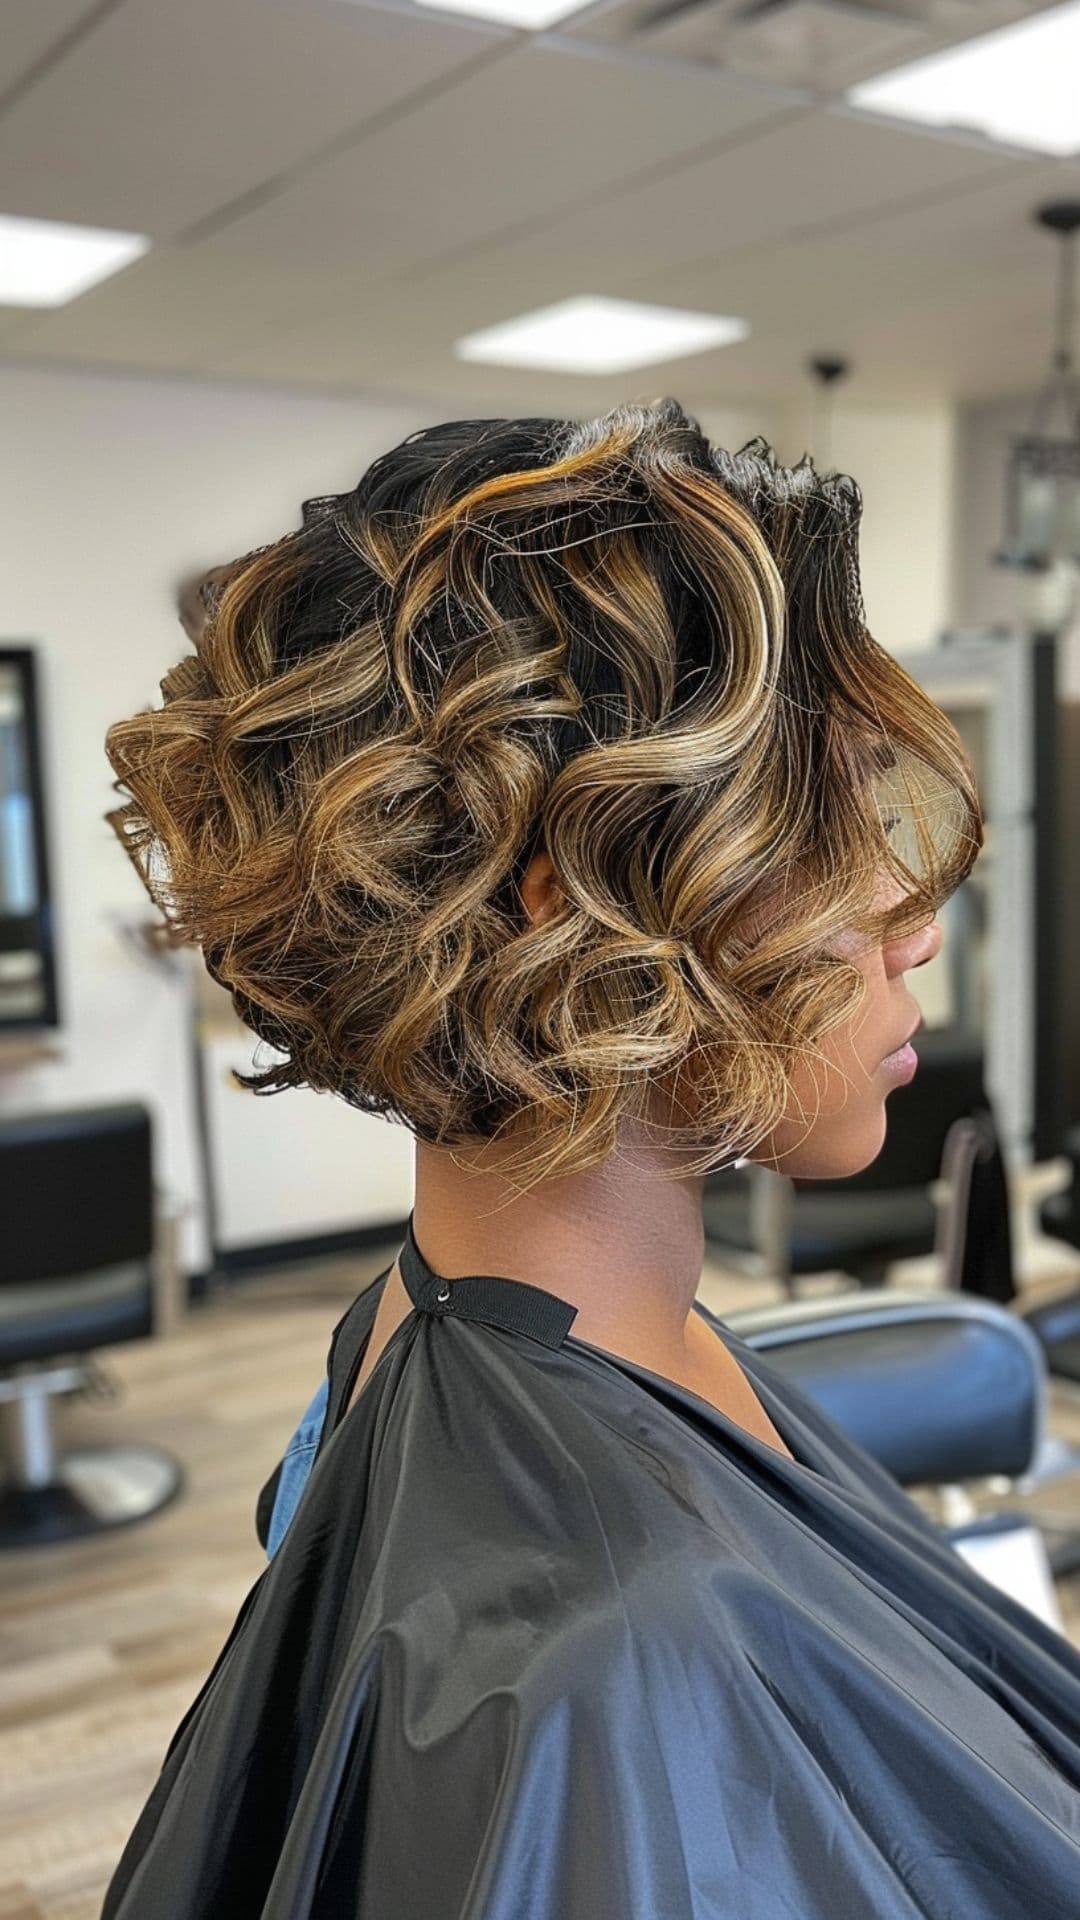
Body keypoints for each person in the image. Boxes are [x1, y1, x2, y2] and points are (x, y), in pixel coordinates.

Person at [99, 400, 1080, 1917]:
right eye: (832, 827)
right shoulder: (616, 1663)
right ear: (594, 917)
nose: (913, 918)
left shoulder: (433, 1319)